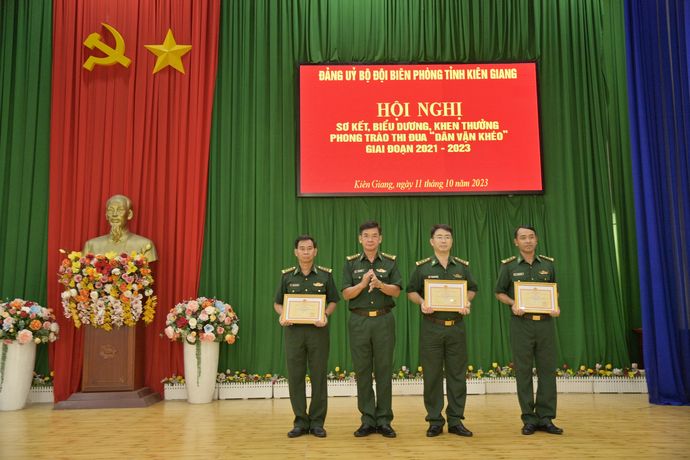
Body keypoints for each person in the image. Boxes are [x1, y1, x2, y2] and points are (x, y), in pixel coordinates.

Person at [406, 224, 477, 437]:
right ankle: (435, 421)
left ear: (452, 241)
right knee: (432, 376)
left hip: (456, 327)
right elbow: (411, 291)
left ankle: (456, 420)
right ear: (432, 242)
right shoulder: (423, 267)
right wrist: (421, 302)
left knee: (457, 375)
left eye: (447, 237)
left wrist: (466, 301)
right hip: (432, 327)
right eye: (439, 237)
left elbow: (472, 289)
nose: (443, 241)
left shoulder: (462, 267)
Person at [494, 225, 562, 435]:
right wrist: (513, 303)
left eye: (531, 237)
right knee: (523, 372)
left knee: (547, 371)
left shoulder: (548, 265)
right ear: (516, 242)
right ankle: (528, 419)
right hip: (521, 324)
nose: (528, 241)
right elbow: (499, 292)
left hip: (545, 324)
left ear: (536, 239)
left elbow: (554, 290)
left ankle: (545, 418)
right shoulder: (509, 266)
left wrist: (555, 306)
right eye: (523, 238)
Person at [273, 235, 339, 438]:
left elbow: (333, 301)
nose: (306, 252)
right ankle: (300, 422)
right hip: (293, 333)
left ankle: (318, 422)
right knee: (295, 377)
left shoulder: (325, 276)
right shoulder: (287, 277)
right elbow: (277, 303)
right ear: (296, 252)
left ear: (315, 251)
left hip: (318, 332)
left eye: (309, 248)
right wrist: (283, 314)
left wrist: (325, 315)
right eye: (302, 248)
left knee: (319, 376)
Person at [341, 221, 402, 438]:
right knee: (363, 370)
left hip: (384, 320)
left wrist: (380, 285)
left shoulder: (390, 263)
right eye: (366, 236)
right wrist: (363, 283)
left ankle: (384, 420)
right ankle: (367, 419)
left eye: (374, 236)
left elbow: (396, 291)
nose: (370, 239)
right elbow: (346, 294)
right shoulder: (350, 264)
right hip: (359, 322)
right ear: (360, 239)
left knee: (384, 370)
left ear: (380, 239)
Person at [83, 194, 158, 261]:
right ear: (106, 215)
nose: (114, 214)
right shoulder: (91, 245)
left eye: (120, 210)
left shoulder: (145, 245)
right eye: (110, 210)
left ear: (129, 214)